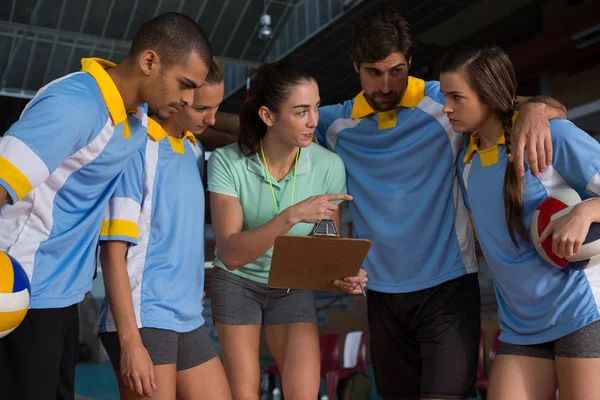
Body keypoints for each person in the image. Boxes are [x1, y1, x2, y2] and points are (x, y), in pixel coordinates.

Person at [312, 8, 568, 400]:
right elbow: (270, 127)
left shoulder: (445, 105)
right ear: (355, 68)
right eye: (373, 72)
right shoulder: (334, 124)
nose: (385, 84)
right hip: (380, 295)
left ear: (409, 62)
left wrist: (535, 108)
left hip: (448, 286)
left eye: (395, 70)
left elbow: (525, 105)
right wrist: (196, 120)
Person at [0, 12, 212, 400]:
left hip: (64, 296)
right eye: (185, 85)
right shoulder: (76, 105)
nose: (189, 100)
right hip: (20, 289)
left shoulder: (136, 117)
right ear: (150, 62)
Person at [442, 46, 600, 400]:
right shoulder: (464, 166)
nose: (446, 108)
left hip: (583, 313)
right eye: (444, 96)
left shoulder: (552, 136)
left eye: (456, 97)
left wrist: (586, 212)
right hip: (521, 326)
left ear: (488, 95)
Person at [207, 61, 366, 399]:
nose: (314, 121)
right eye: (301, 111)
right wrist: (292, 216)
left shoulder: (328, 166)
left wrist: (341, 273)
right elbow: (232, 253)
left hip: (291, 285)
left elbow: (325, 243)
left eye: (316, 108)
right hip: (237, 283)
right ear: (268, 116)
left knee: (304, 392)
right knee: (244, 392)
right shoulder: (226, 162)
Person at [98, 58, 231, 400]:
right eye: (203, 108)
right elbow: (113, 253)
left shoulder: (194, 148)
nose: (212, 119)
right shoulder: (136, 148)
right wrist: (130, 343)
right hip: (144, 314)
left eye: (216, 108)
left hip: (186, 313)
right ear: (178, 99)